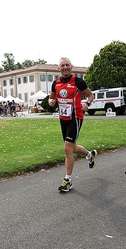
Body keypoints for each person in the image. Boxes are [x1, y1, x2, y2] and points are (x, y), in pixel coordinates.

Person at [48, 57, 98, 192]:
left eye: (67, 65)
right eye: (62, 65)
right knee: (72, 147)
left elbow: (90, 95)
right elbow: (52, 98)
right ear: (58, 68)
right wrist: (51, 102)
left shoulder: (78, 81)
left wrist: (87, 103)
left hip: (75, 118)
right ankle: (90, 155)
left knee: (67, 148)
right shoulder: (55, 83)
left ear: (71, 67)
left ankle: (68, 180)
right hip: (63, 118)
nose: (65, 67)